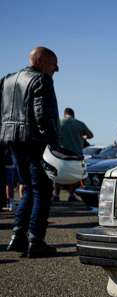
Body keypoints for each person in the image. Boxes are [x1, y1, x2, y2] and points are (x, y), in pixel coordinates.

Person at [0, 46, 60, 257]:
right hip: (34, 141)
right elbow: (43, 115)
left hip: (12, 140)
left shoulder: (7, 79)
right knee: (42, 190)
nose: (57, 69)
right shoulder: (41, 80)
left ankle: (17, 236)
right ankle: (36, 241)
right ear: (42, 61)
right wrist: (53, 145)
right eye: (54, 64)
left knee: (27, 187)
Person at [53, 107, 93, 202]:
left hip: (60, 153)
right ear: (73, 114)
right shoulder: (79, 123)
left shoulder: (59, 122)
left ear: (65, 114)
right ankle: (71, 195)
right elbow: (91, 135)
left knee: (58, 174)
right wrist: (83, 137)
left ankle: (56, 195)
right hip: (76, 153)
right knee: (73, 175)